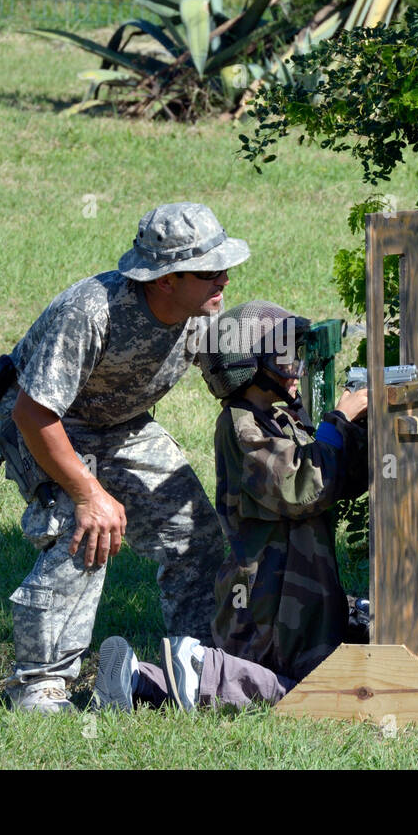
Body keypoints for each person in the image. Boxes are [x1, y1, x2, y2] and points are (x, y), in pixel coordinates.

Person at [0, 202, 248, 714]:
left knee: (192, 528)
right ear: (164, 280)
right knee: (85, 529)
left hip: (121, 424)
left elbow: (237, 376)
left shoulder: (202, 310)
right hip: (41, 425)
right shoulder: (91, 312)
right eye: (206, 270)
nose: (222, 278)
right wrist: (89, 493)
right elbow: (32, 412)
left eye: (224, 266)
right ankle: (39, 685)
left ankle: (195, 667)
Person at [93, 300, 369, 712]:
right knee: (297, 696)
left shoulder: (280, 419)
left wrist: (362, 426)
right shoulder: (243, 426)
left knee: (292, 682)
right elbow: (300, 487)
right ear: (249, 363)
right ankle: (201, 666)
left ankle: (137, 679)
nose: (295, 366)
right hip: (267, 601)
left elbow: (340, 478)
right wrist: (338, 423)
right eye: (283, 355)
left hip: (298, 596)